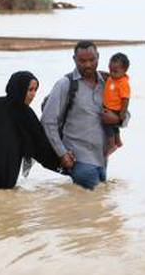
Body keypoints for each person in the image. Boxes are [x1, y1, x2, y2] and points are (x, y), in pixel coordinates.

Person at [41, 41, 122, 190]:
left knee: (98, 206)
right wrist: (62, 154)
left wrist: (116, 119)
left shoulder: (108, 83)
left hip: (102, 160)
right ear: (74, 59)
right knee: (93, 204)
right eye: (82, 61)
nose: (88, 65)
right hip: (79, 160)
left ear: (98, 57)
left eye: (92, 60)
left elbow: (125, 115)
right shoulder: (65, 84)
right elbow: (47, 121)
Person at [103, 52, 131, 154]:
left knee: (108, 126)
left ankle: (111, 144)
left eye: (115, 71)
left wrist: (122, 113)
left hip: (115, 109)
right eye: (110, 70)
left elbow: (125, 98)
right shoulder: (111, 78)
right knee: (114, 128)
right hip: (108, 106)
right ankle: (118, 141)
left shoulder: (123, 83)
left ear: (124, 71)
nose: (112, 73)